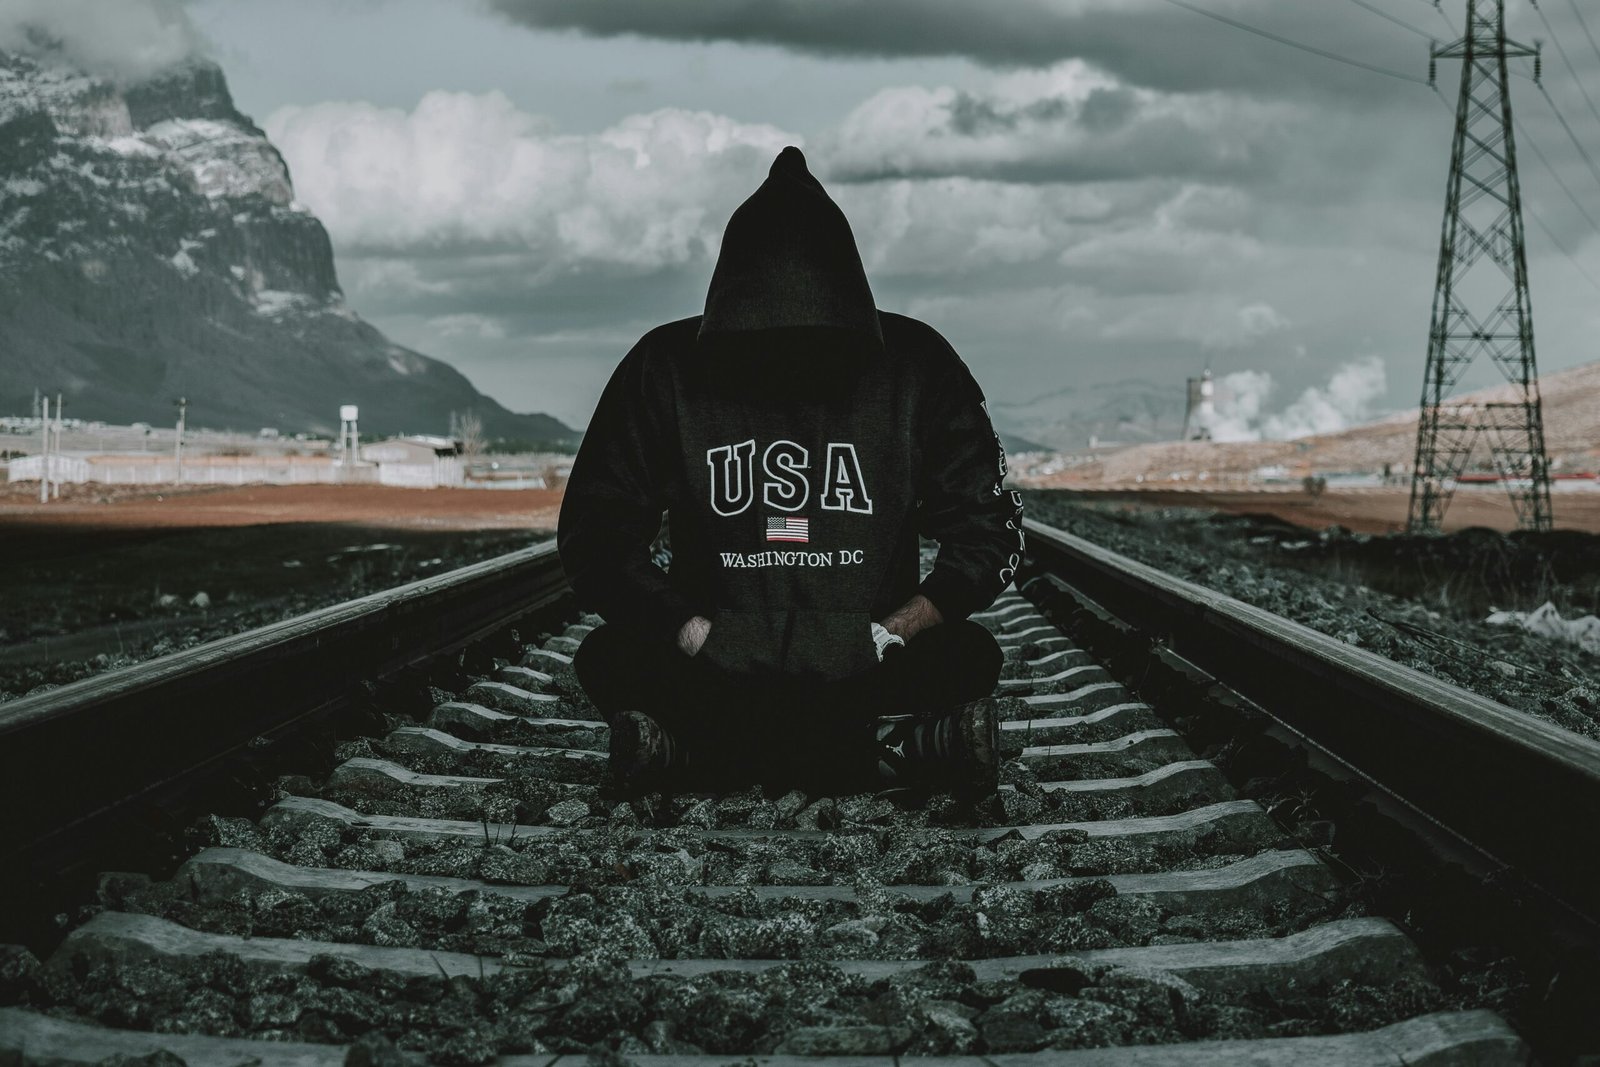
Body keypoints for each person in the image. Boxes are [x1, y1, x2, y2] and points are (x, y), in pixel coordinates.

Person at [556, 146, 1025, 792]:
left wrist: (892, 632)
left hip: (859, 666)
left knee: (970, 655)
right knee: (609, 655)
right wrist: (693, 632)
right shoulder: (665, 369)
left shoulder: (916, 368)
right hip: (728, 667)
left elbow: (987, 532)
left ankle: (688, 753)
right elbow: (595, 537)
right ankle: (919, 749)